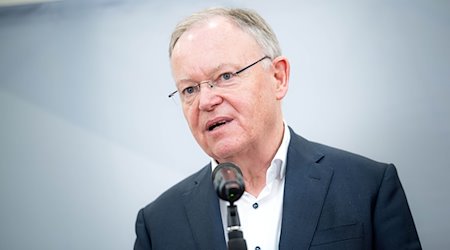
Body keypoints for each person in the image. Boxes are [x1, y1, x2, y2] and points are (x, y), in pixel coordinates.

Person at [134, 7, 421, 250]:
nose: (206, 101)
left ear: (278, 77)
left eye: (225, 76)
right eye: (189, 90)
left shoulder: (368, 187)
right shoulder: (158, 224)